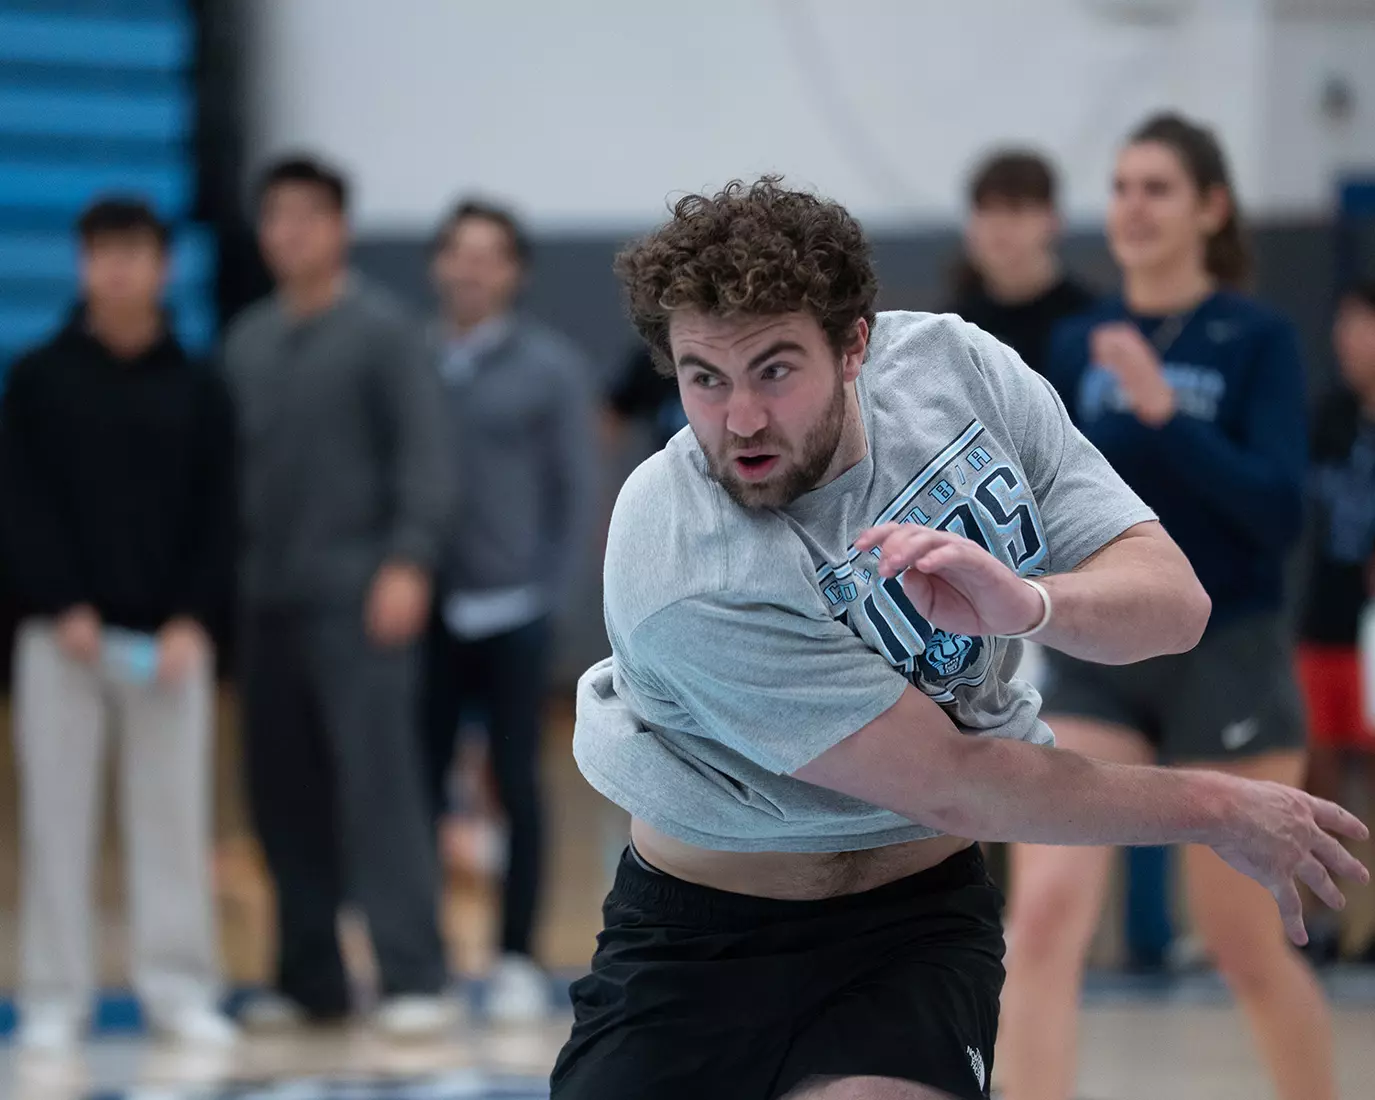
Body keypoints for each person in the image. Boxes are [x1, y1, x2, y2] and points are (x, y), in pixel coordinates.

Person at [549, 177, 1367, 1100]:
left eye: (775, 370)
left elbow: (1174, 604)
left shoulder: (954, 370)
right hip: (698, 942)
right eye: (705, 379)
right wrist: (1219, 812)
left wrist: (1027, 603)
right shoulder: (680, 554)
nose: (739, 419)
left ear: (854, 342)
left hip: (914, 926)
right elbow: (960, 781)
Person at [997, 113, 1328, 1100]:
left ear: (1209, 207)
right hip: (1100, 653)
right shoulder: (1077, 339)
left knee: (1243, 940)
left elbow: (1275, 510)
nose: (1132, 207)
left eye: (1157, 188)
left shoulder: (1256, 338)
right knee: (1045, 918)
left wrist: (1161, 414)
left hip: (1226, 649)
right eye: (1122, 186)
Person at [221, 157, 455, 1036]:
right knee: (281, 796)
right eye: (275, 216)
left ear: (339, 228)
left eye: (307, 216)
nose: (289, 232)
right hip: (264, 602)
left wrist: (408, 560)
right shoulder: (244, 341)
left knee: (379, 790)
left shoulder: (384, 333)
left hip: (360, 597)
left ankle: (414, 975)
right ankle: (308, 977)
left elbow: (425, 456)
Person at [0, 197, 237, 1052]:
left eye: (135, 252)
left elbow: (220, 513)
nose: (119, 268)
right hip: (58, 638)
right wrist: (61, 602)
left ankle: (177, 991)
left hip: (171, 644)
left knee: (172, 817)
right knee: (55, 817)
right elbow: (18, 503)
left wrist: (190, 618)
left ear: (162, 267)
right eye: (103, 252)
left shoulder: (199, 382)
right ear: (83, 264)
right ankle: (53, 996)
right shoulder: (36, 376)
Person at [420, 199, 598, 1021]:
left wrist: (551, 602)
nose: (472, 268)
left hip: (515, 610)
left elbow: (574, 493)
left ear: (516, 270)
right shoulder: (413, 360)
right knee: (417, 785)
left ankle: (518, 953)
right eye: (459, 253)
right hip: (427, 607)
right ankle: (418, 958)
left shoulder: (550, 368)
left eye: (489, 255)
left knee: (517, 784)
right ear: (437, 264)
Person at [1297, 279, 1375, 963]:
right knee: (1318, 776)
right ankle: (1322, 924)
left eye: (1365, 328)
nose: (1353, 343)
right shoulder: (1326, 417)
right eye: (1346, 328)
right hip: (1324, 622)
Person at [942, 149, 1095, 376]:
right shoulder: (950, 329)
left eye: (1015, 210)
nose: (999, 226)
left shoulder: (1090, 325)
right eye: (986, 210)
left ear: (1053, 221)